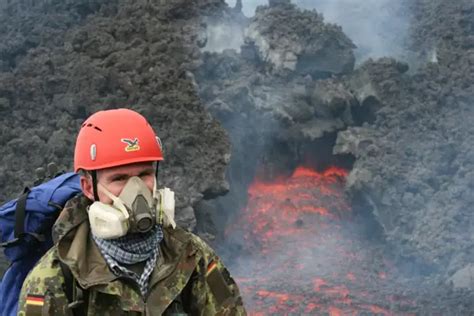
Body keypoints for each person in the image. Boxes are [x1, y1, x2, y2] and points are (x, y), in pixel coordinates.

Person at [17, 109, 246, 315]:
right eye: (119, 178)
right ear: (88, 187)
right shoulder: (54, 279)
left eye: (144, 174)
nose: (135, 190)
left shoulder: (191, 255)